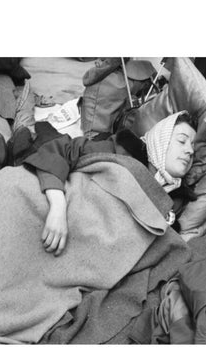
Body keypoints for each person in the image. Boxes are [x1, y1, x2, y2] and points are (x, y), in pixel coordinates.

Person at [22, 110, 197, 256]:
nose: (189, 150)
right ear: (161, 140)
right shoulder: (121, 151)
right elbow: (62, 150)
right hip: (60, 207)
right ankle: (26, 139)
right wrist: (58, 206)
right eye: (182, 141)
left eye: (193, 147)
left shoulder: (174, 202)